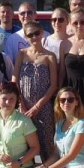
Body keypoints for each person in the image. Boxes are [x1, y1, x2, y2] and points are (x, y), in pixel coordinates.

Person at [13, 20, 58, 159]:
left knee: (46, 140)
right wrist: (21, 104)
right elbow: (14, 80)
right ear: (26, 37)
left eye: (36, 33)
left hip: (43, 107)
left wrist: (37, 106)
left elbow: (53, 85)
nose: (34, 37)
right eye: (30, 34)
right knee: (24, 141)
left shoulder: (50, 56)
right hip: (24, 106)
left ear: (42, 33)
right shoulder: (21, 54)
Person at [42, 7, 72, 87]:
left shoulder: (73, 41)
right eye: (54, 19)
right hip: (48, 85)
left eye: (61, 20)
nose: (57, 23)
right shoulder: (44, 41)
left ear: (67, 21)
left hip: (68, 83)